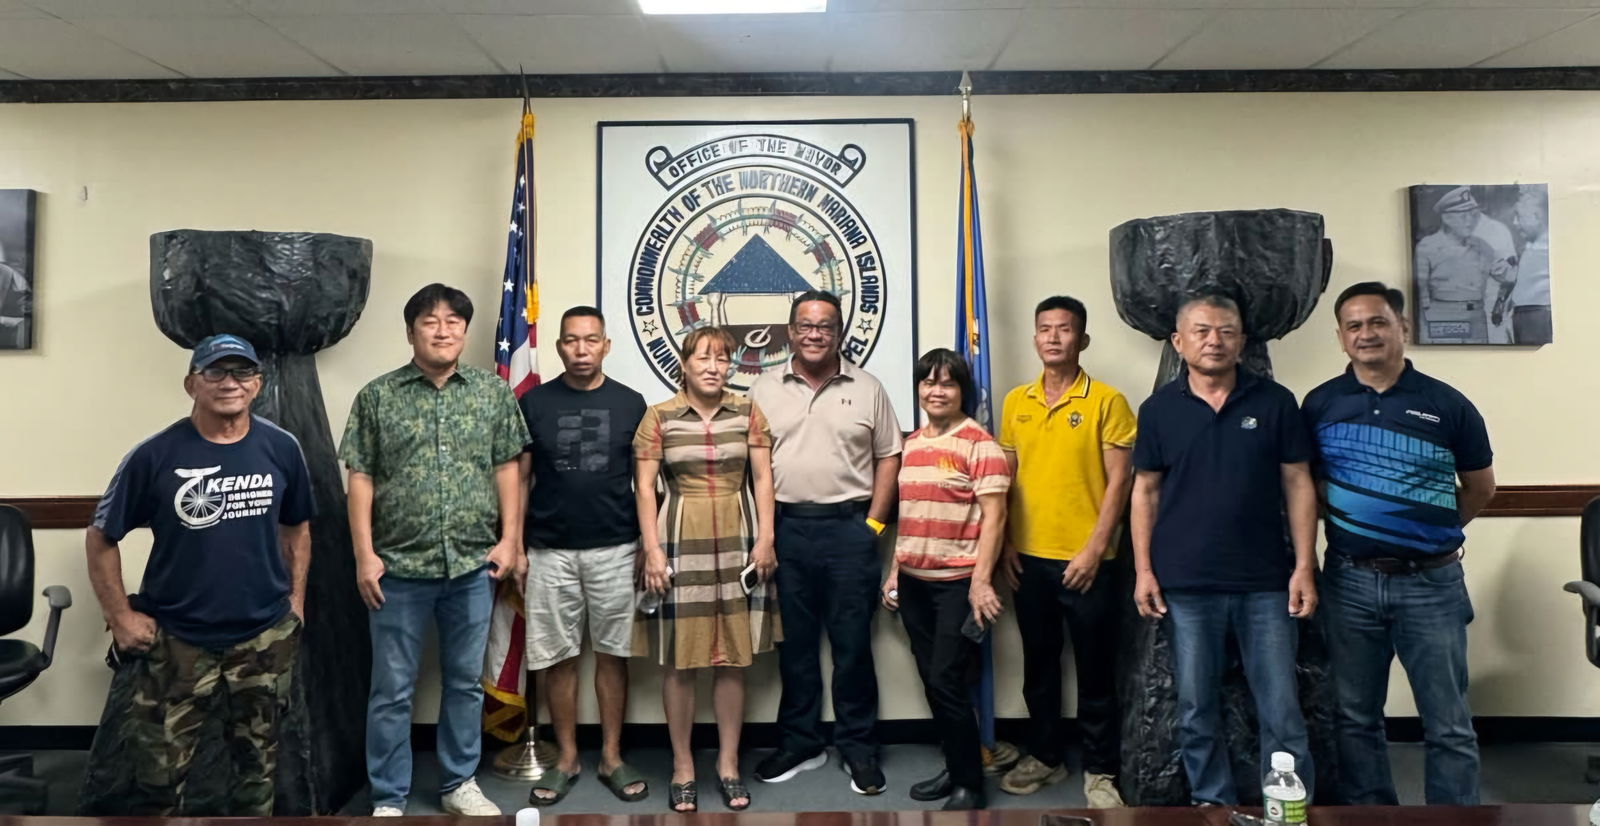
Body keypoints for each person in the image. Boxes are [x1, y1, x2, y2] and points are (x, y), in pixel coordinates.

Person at [85, 334, 312, 815]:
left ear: (257, 385)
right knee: (159, 782)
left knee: (257, 776)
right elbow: (101, 537)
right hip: (177, 642)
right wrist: (121, 617)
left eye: (242, 373)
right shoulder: (154, 456)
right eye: (216, 372)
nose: (230, 383)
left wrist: (296, 605)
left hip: (262, 641)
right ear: (191, 383)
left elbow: (297, 529)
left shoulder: (282, 448)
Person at [339, 283, 530, 817]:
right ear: (410, 331)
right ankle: (388, 795)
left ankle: (458, 783)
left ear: (465, 331)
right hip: (397, 567)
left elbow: (507, 468)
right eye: (430, 320)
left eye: (453, 321)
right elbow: (361, 476)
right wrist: (364, 555)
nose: (443, 330)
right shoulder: (378, 396)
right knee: (392, 689)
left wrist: (510, 540)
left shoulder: (492, 393)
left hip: (472, 566)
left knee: (465, 684)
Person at [1303, 281, 1496, 805]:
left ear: (1403, 328)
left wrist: (1427, 533)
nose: (1367, 333)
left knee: (1449, 723)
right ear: (1341, 337)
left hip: (1431, 584)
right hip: (1350, 583)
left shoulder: (1447, 404)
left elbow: (1480, 488)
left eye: (1378, 322)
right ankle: (1371, 816)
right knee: (1355, 718)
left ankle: (1454, 821)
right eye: (1354, 325)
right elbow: (1308, 487)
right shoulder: (1320, 404)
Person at [1130, 294, 1319, 806]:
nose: (1215, 340)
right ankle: (1213, 806)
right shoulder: (1159, 410)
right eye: (1202, 331)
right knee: (1195, 707)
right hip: (1186, 586)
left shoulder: (1275, 402)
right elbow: (1144, 492)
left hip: (1266, 583)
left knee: (1280, 707)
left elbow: (1299, 484)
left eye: (1227, 331)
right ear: (1179, 341)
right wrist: (1143, 570)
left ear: (1242, 340)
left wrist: (1305, 566)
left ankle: (1287, 807)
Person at [748, 290, 902, 795]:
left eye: (825, 326)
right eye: (805, 325)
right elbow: (753, 468)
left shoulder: (869, 387)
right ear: (790, 331)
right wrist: (764, 535)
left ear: (840, 332)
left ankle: (858, 747)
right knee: (794, 647)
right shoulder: (763, 389)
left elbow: (888, 457)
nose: (814, 334)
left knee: (852, 647)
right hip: (786, 530)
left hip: (849, 531)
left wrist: (873, 527)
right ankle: (801, 742)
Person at [634, 325, 779, 814]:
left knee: (733, 657)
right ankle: (682, 766)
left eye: (722, 358)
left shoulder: (748, 412)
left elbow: (762, 478)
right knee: (681, 659)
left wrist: (766, 538)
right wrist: (652, 549)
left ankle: (729, 764)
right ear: (685, 364)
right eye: (703, 358)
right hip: (679, 534)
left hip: (738, 537)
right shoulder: (659, 417)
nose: (714, 367)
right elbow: (644, 488)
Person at [996, 296, 1134, 807]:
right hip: (1029, 561)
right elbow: (1005, 480)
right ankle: (1047, 755)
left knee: (1097, 672)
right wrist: (1006, 542)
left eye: (1065, 329)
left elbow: (1120, 482)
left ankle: (1100, 771)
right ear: (1035, 339)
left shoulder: (1107, 401)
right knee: (1039, 665)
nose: (1054, 337)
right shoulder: (1016, 403)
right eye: (1045, 329)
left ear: (1083, 339)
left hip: (1090, 562)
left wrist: (1097, 549)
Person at [518, 306, 649, 807]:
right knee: (558, 658)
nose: (580, 350)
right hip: (550, 551)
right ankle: (568, 758)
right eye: (571, 341)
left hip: (616, 548)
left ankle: (612, 757)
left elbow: (646, 483)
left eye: (590, 340)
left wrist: (646, 544)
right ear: (558, 347)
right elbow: (521, 478)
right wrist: (517, 544)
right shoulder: (535, 403)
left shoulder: (631, 403)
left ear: (606, 346)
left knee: (613, 655)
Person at [880, 349, 1009, 811]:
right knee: (933, 682)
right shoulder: (911, 444)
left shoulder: (981, 445)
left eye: (947, 384)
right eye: (929, 382)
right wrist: (895, 570)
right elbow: (909, 518)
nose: (936, 391)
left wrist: (981, 582)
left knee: (947, 679)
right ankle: (956, 766)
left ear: (962, 391)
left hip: (958, 584)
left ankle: (969, 784)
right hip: (914, 582)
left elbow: (995, 519)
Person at [1413, 186, 1515, 344]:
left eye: (1473, 216)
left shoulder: (1483, 246)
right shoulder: (1427, 248)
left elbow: (1507, 276)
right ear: (1446, 218)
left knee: (1478, 363)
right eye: (1463, 216)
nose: (1470, 222)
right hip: (1444, 319)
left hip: (1476, 318)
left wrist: (1507, 272)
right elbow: (1420, 298)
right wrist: (1423, 334)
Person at [1504, 186, 1551, 344]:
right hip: (1526, 317)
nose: (1515, 223)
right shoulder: (1531, 247)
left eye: (1519, 216)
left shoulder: (1546, 249)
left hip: (1537, 318)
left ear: (1536, 217)